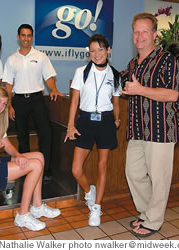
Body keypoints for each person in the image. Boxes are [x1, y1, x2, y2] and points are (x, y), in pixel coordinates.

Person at [0, 86, 61, 231]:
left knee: (39, 156)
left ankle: (38, 206)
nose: (1, 106)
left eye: (4, 104)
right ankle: (22, 215)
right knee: (35, 165)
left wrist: (19, 156)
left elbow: (7, 145)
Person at [121, 13, 179, 238]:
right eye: (136, 31)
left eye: (145, 31)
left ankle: (154, 220)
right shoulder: (132, 63)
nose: (140, 36)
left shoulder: (168, 60)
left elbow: (173, 94)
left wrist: (140, 90)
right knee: (133, 172)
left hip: (161, 130)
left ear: (154, 34)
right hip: (138, 130)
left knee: (159, 178)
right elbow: (124, 84)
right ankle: (148, 212)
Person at [64, 34, 121, 226]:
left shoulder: (115, 75)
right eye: (93, 50)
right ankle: (89, 192)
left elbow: (116, 100)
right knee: (76, 169)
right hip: (85, 120)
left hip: (105, 121)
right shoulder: (81, 72)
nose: (96, 54)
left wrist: (117, 118)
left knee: (102, 166)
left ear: (108, 50)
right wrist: (71, 125)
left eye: (100, 49)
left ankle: (96, 208)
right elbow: (74, 101)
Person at [3, 24, 63, 181]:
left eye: (29, 35)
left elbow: (48, 76)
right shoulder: (11, 60)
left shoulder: (41, 56)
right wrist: (9, 105)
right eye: (23, 35)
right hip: (19, 100)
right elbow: (8, 85)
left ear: (32, 37)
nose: (26, 38)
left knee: (46, 133)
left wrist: (54, 90)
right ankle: (25, 169)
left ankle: (46, 169)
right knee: (22, 136)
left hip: (37, 99)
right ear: (18, 37)